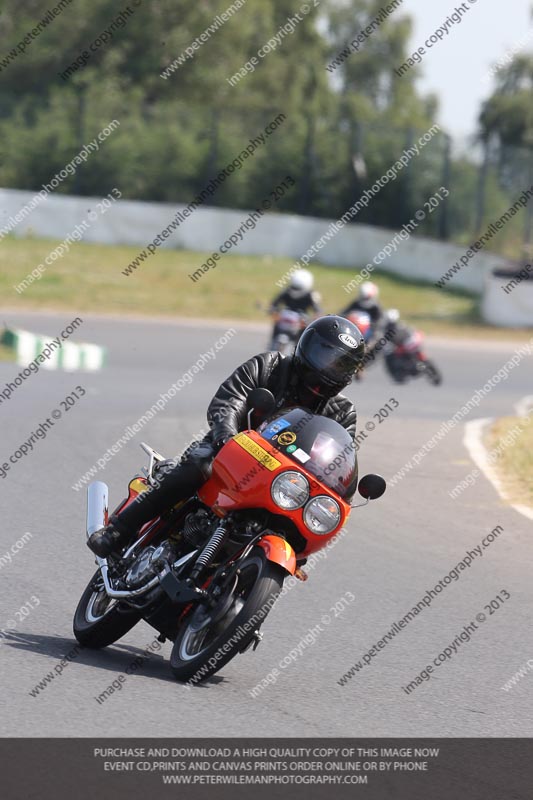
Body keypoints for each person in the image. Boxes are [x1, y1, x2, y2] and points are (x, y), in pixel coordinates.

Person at [87, 315, 366, 558]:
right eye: (326, 356)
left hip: (284, 483)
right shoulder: (269, 367)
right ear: (307, 347)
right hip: (229, 452)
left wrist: (341, 487)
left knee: (304, 532)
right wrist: (226, 436)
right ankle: (119, 530)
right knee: (198, 467)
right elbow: (228, 401)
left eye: (341, 365)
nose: (330, 369)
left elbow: (339, 458)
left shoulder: (343, 412)